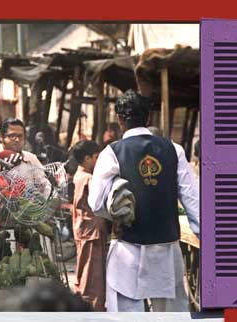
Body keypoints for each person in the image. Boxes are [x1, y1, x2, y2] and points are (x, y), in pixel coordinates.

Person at [87, 89, 199, 312]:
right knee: (171, 313)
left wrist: (118, 212)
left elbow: (96, 203)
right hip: (166, 247)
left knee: (126, 310)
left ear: (119, 119)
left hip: (128, 246)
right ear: (148, 118)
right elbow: (193, 201)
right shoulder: (174, 150)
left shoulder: (112, 152)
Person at [70, 140, 110, 311]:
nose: (98, 160)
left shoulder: (79, 175)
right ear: (87, 159)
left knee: (86, 269)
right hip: (91, 231)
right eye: (96, 157)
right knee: (93, 275)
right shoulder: (88, 178)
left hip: (84, 228)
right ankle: (92, 310)